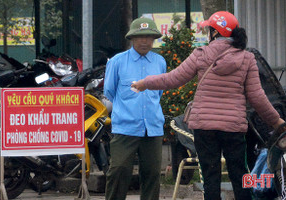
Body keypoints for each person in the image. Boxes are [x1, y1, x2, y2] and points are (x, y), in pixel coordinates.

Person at [132, 11, 285, 200]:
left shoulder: (201, 54)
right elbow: (258, 97)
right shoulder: (247, 58)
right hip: (233, 127)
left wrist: (145, 82)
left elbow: (172, 79)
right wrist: (277, 122)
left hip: (204, 127)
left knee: (210, 176)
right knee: (240, 174)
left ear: (214, 33)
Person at [103, 17, 166, 200]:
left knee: (152, 173)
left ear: (154, 39)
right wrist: (128, 109)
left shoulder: (160, 62)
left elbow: (158, 93)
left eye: (149, 36)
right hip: (125, 127)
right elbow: (110, 91)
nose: (144, 41)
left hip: (152, 127)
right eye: (140, 37)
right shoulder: (117, 61)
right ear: (131, 38)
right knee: (119, 170)